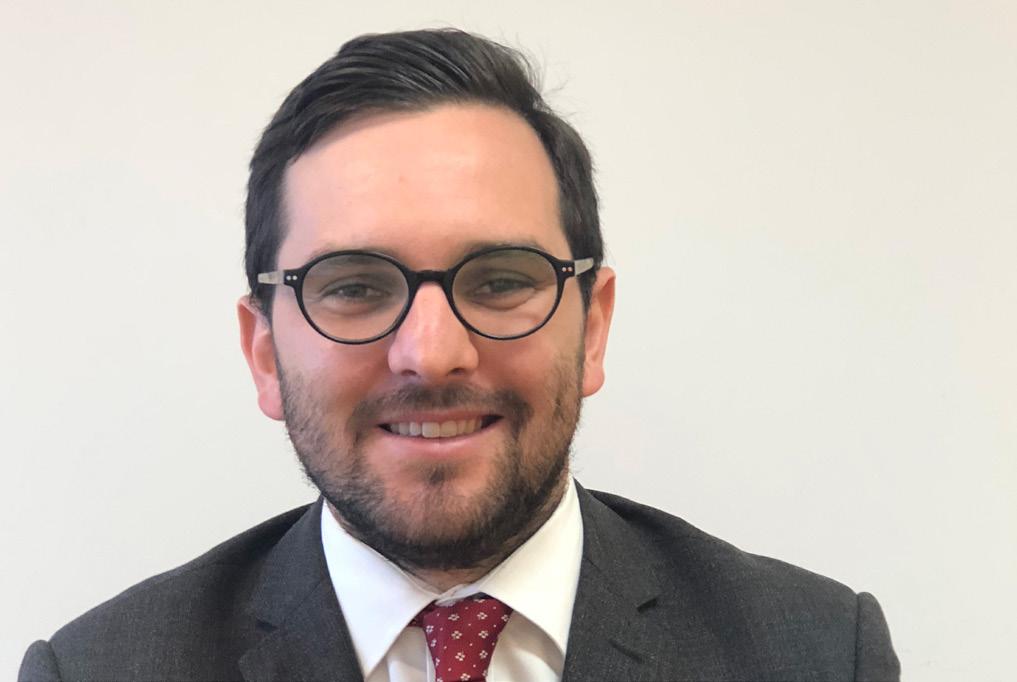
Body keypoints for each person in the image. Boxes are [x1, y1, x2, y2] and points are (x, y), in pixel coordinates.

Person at [19, 29, 900, 682]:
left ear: (592, 327)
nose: (432, 353)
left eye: (500, 280)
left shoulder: (819, 653)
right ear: (263, 353)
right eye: (354, 286)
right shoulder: (98, 670)